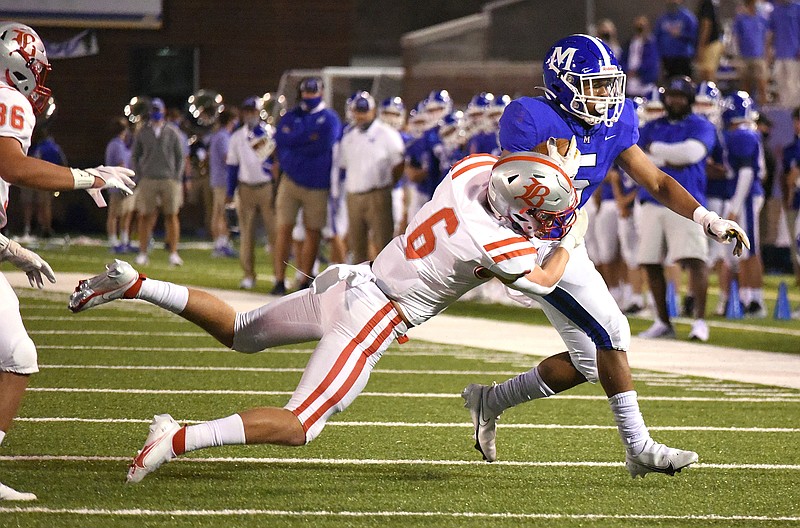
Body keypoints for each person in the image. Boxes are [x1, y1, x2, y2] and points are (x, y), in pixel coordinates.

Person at [69, 148, 587, 483]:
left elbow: (511, 170)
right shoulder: (493, 240)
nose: (547, 221)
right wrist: (570, 236)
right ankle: (177, 437)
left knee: (242, 332)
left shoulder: (470, 174)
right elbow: (541, 279)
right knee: (300, 425)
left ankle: (139, 284)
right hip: (372, 316)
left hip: (350, 280)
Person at [471, 33, 748, 476]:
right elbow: (517, 192)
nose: (605, 95)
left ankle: (490, 400)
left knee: (588, 361)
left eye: (608, 84)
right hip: (526, 241)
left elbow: (656, 181)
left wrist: (707, 218)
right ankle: (639, 448)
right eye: (595, 85)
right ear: (563, 84)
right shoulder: (530, 117)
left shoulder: (614, 123)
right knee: (614, 332)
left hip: (566, 240)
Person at [0, 22, 135, 500]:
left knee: (18, 353)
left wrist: (14, 249)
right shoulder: (9, 100)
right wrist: (88, 178)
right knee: (17, 355)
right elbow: (12, 166)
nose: (39, 77)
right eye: (36, 67)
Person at [636, 76, 717, 340]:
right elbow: (637, 158)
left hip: (687, 201)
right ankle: (662, 321)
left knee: (695, 259)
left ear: (690, 99)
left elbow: (691, 154)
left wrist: (658, 152)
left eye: (680, 96)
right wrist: (670, 158)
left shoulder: (700, 125)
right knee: (649, 261)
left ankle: (700, 322)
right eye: (671, 95)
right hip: (651, 200)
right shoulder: (651, 126)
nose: (675, 100)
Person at [271, 77, 342, 294]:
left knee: (313, 233)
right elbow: (280, 140)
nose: (309, 96)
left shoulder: (330, 118)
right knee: (283, 230)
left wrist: (295, 141)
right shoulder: (292, 115)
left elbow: (322, 145)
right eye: (307, 92)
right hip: (290, 180)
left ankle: (304, 280)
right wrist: (306, 138)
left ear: (320, 92)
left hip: (317, 184)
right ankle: (279, 280)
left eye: (313, 92)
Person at [337, 91, 405, 263]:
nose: (360, 115)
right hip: (353, 196)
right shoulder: (348, 137)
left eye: (364, 110)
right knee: (357, 245)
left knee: (384, 244)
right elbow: (344, 165)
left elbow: (399, 164)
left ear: (373, 111)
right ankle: (360, 285)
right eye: (357, 111)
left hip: (378, 194)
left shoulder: (387, 133)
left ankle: (388, 286)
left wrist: (387, 184)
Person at [719, 91, 767, 317]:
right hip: (746, 193)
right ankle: (750, 298)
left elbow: (747, 172)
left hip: (745, 195)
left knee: (749, 249)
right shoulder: (748, 132)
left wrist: (735, 207)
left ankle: (754, 301)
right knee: (747, 250)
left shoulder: (742, 135)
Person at [227, 96, 277, 290]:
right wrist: (230, 191)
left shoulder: (270, 132)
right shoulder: (237, 136)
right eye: (247, 112)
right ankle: (249, 275)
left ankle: (277, 275)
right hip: (246, 188)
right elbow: (232, 166)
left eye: (253, 112)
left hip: (266, 187)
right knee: (247, 234)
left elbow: (274, 161)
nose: (250, 115)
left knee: (274, 234)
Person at [130, 98, 186, 267]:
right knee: (145, 216)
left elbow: (179, 156)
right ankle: (142, 252)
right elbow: (135, 155)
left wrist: (176, 177)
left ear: (164, 111)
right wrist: (140, 175)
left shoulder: (172, 131)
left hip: (169, 179)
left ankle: (174, 252)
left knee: (171, 215)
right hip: (148, 178)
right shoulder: (143, 132)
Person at [207, 107, 238, 258]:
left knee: (218, 212)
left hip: (216, 178)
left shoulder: (216, 135)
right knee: (223, 213)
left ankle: (219, 243)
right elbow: (228, 157)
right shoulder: (224, 137)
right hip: (223, 179)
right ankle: (221, 243)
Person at [104, 117, 135, 253]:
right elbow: (121, 164)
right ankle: (114, 242)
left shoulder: (122, 144)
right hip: (117, 182)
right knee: (114, 213)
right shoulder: (116, 144)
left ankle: (124, 240)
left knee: (125, 213)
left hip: (122, 183)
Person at [734, 0, 770, 106]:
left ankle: (764, 109)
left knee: (762, 85)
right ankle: (746, 108)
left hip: (760, 56)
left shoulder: (762, 19)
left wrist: (767, 54)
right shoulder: (740, 19)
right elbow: (737, 38)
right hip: (745, 57)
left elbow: (767, 38)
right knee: (745, 86)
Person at [653, 0, 698, 79]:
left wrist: (681, 35)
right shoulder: (662, 18)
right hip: (667, 57)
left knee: (684, 83)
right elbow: (656, 38)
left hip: (683, 57)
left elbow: (694, 36)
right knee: (669, 84)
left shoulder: (688, 17)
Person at [768, 0, 800, 109]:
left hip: (794, 53)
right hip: (779, 52)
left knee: (793, 82)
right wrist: (769, 50)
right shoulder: (775, 10)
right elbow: (771, 32)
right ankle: (785, 108)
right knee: (780, 80)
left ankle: (795, 109)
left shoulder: (797, 8)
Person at [619, 15, 661, 98]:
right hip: (630, 82)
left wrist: (638, 71)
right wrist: (627, 70)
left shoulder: (651, 43)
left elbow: (651, 61)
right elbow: (622, 59)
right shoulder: (629, 43)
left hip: (644, 83)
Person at [695, 0, 723, 82]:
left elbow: (706, 25)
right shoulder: (709, 3)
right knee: (704, 73)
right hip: (713, 42)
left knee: (708, 73)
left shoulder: (707, 3)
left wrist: (701, 46)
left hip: (710, 43)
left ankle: (712, 93)